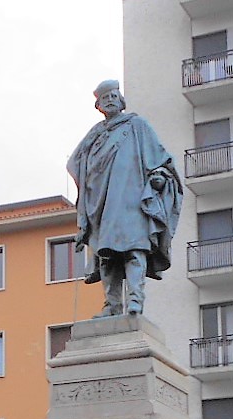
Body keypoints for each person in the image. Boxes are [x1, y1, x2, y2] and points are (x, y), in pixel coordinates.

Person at [66, 79, 184, 317]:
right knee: (106, 256)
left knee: (134, 249)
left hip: (132, 199)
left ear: (121, 101)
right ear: (99, 106)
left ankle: (135, 301)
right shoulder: (95, 134)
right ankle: (112, 305)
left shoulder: (137, 125)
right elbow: (75, 162)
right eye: (105, 98)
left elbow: (161, 158)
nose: (110, 100)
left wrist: (159, 175)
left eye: (113, 96)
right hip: (101, 203)